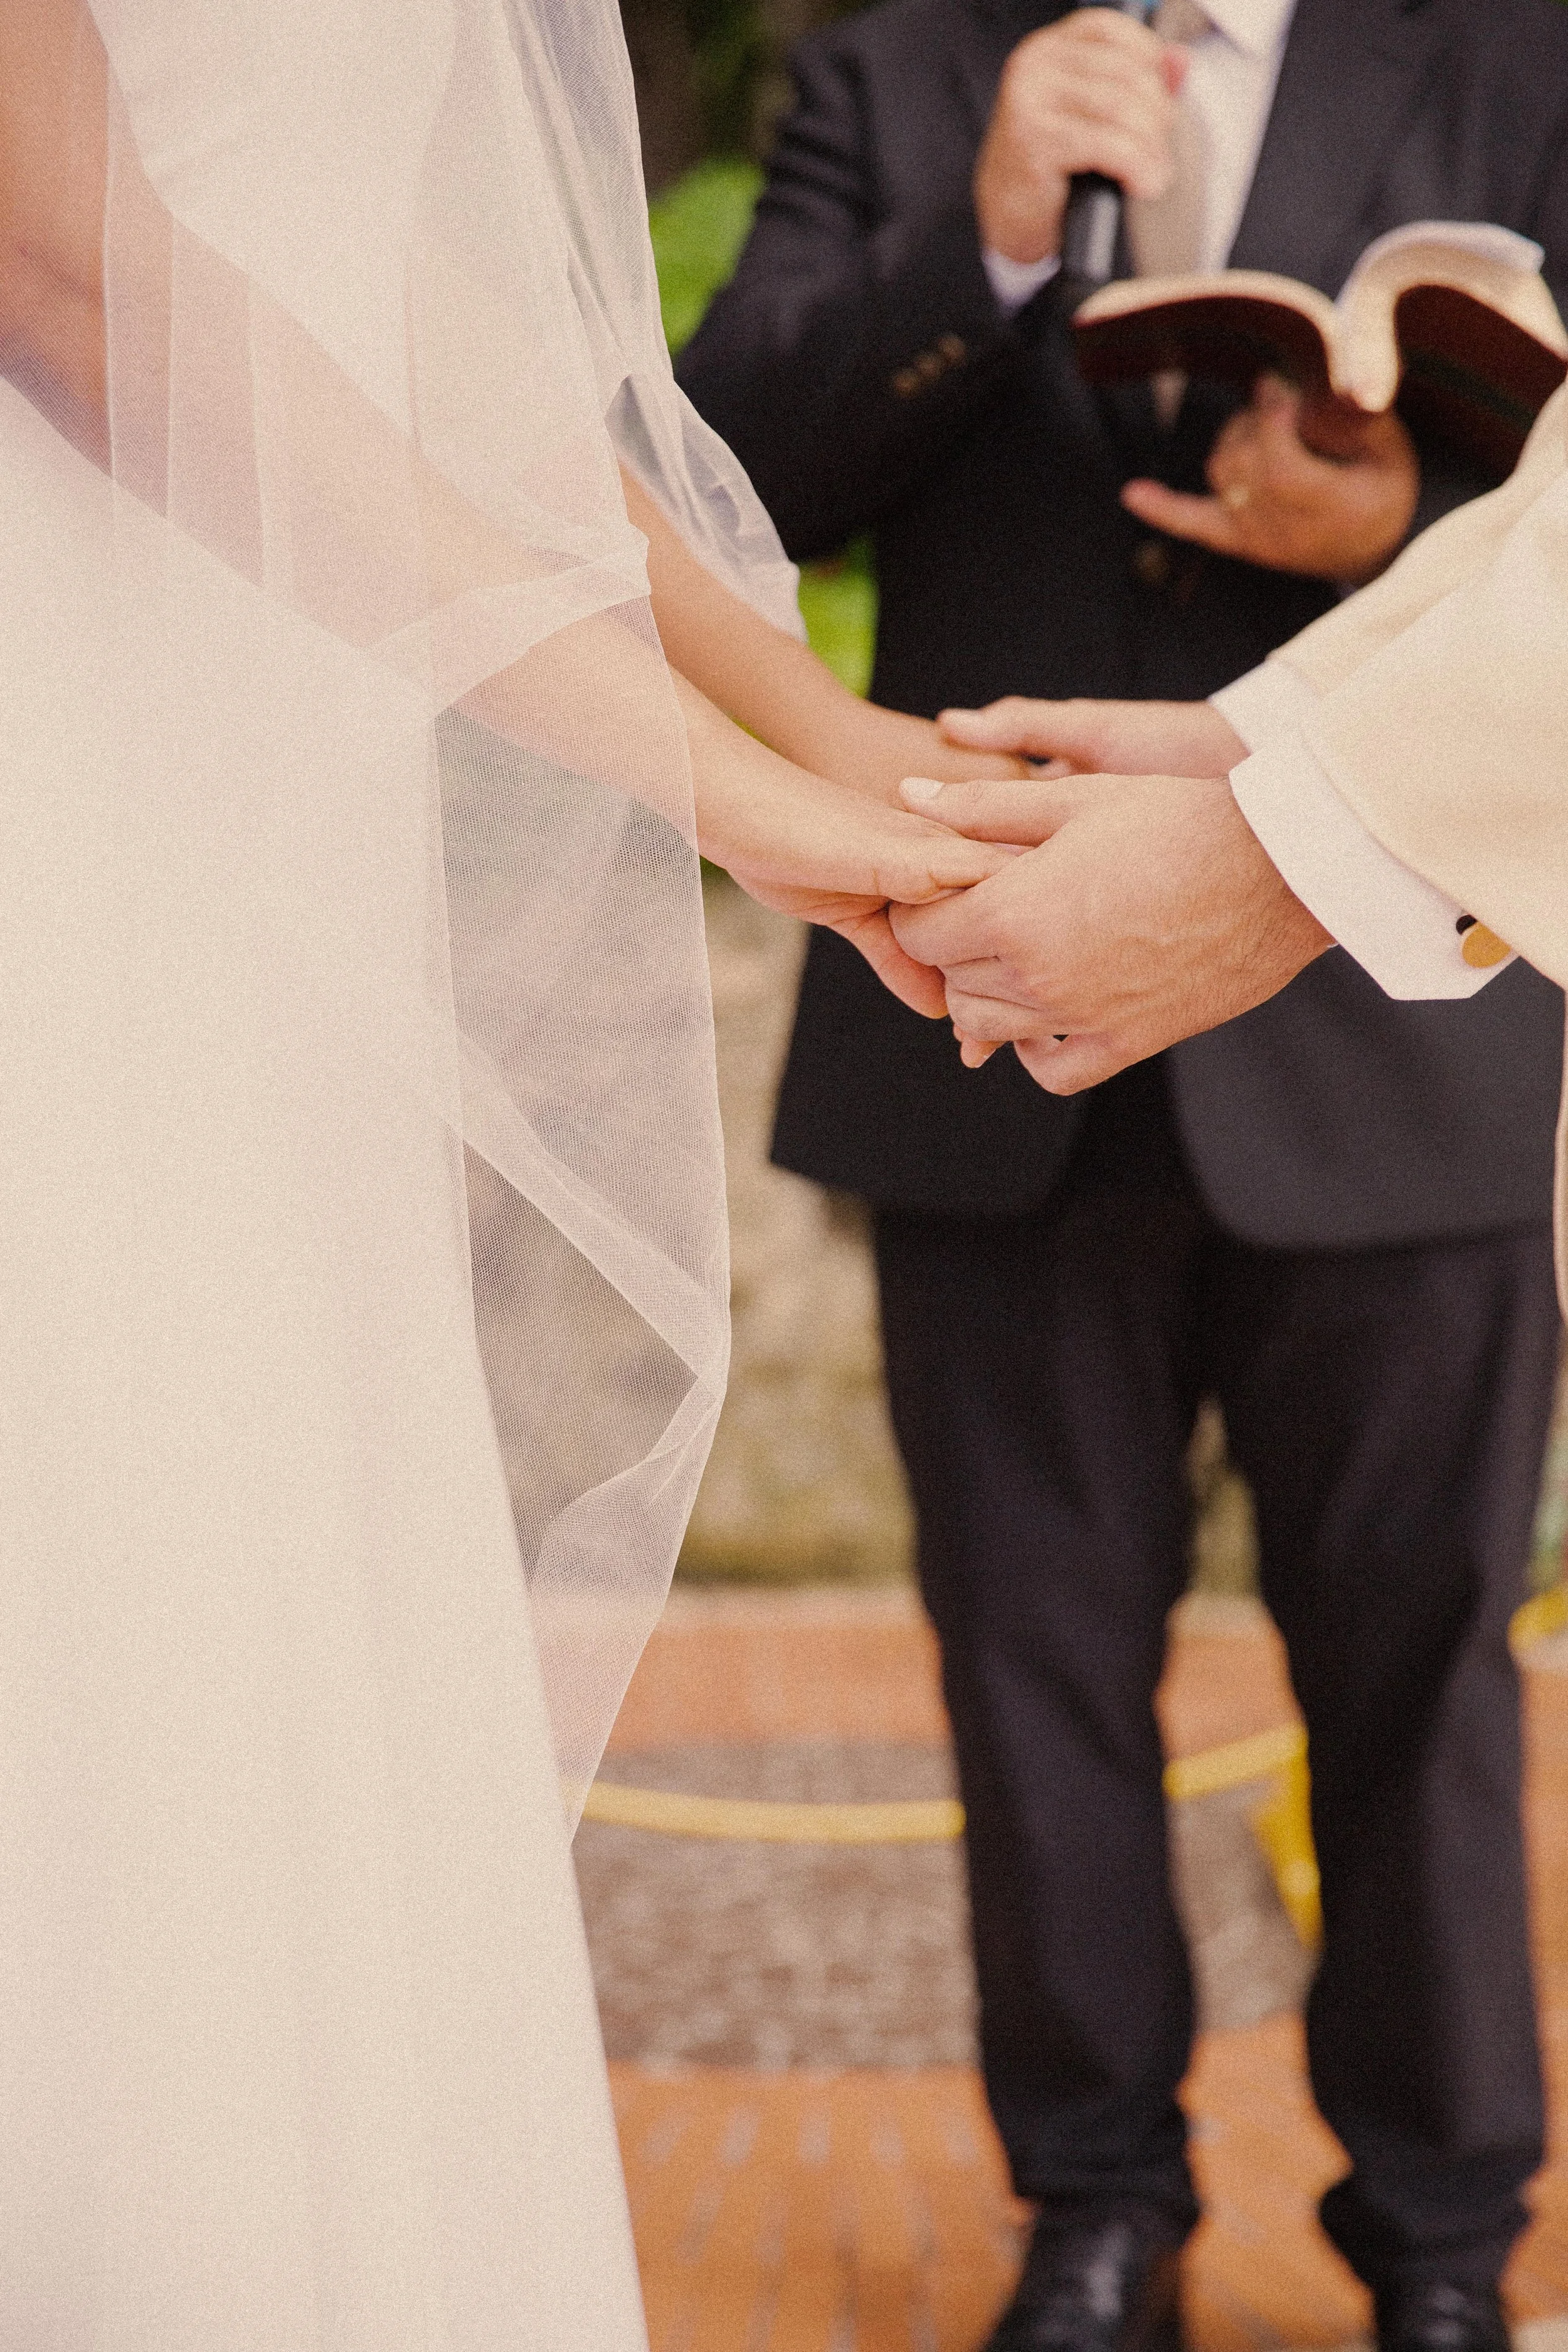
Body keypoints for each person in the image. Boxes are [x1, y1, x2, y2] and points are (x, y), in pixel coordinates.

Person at [0, 3, 1015, 2341]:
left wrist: (820, 719)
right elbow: (69, 260)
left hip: (265, 819)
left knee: (280, 1578)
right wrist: (732, 803)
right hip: (63, 776)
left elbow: (409, 297)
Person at [677, 3, 1568, 2346]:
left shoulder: (1512, 48)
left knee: (1418, 1673)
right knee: (1029, 1671)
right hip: (979, 1013)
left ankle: (1442, 2236)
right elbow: (705, 478)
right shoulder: (895, 67)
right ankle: (1091, 2215)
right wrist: (973, 242)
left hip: (1399, 1032)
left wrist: (1396, 530)